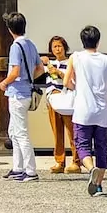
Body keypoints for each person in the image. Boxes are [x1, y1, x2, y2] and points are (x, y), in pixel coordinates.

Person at [62, 24, 107, 196]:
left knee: (82, 145)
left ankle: (90, 169)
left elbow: (66, 82)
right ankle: (98, 185)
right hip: (103, 112)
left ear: (82, 41)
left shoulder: (76, 57)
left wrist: (78, 87)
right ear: (98, 41)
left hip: (82, 110)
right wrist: (105, 84)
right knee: (102, 148)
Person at [0, 12, 40, 181]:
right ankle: (18, 167)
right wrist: (28, 78)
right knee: (14, 132)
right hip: (26, 91)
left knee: (21, 133)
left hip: (17, 93)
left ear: (10, 29)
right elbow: (39, 68)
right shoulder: (30, 44)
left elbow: (14, 71)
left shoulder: (15, 46)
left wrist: (4, 82)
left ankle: (30, 170)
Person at [41, 34, 81, 175]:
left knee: (72, 131)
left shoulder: (71, 62)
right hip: (53, 98)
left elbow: (73, 80)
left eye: (59, 46)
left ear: (64, 47)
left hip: (67, 99)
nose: (57, 49)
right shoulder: (48, 64)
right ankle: (59, 161)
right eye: (54, 47)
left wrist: (58, 72)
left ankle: (76, 162)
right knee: (57, 132)